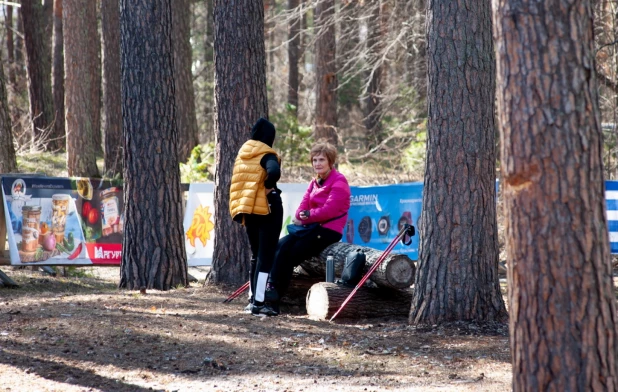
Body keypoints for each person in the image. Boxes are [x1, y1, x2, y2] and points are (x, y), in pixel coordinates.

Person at [267, 142, 351, 312]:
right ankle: (269, 290)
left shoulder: (339, 180)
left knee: (290, 254)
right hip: (310, 228)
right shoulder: (314, 182)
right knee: (280, 246)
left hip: (329, 231)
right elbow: (301, 208)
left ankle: (274, 299)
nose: (317, 163)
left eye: (321, 160)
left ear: (330, 162)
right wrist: (302, 216)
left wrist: (307, 217)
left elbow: (330, 210)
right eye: (314, 160)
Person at [229, 117, 283, 316]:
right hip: (268, 209)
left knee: (255, 256)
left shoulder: (243, 155)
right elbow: (274, 172)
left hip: (249, 211)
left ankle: (252, 300)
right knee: (266, 257)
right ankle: (260, 303)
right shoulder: (267, 154)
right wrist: (268, 188)